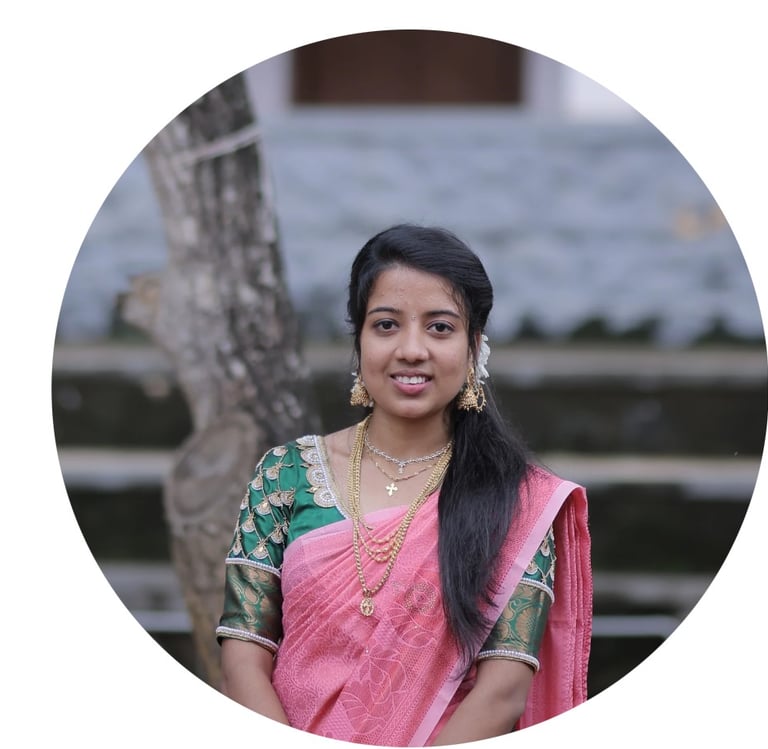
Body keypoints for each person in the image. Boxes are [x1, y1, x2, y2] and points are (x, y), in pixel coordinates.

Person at [216, 224, 592, 746]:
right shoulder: (286, 474)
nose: (412, 350)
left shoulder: (517, 501)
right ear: (359, 341)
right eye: (387, 325)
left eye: (439, 328)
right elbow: (243, 651)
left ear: (474, 347)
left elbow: (502, 692)